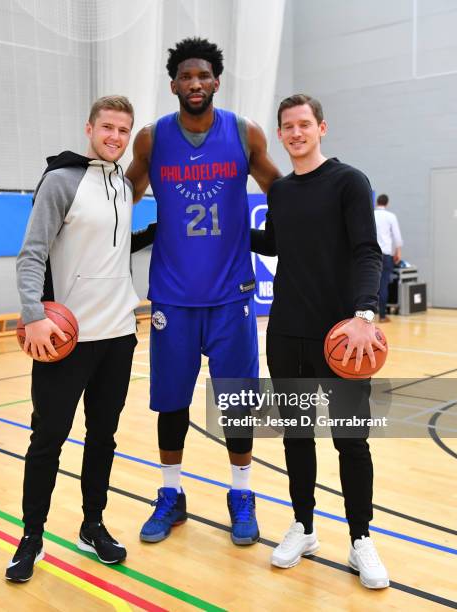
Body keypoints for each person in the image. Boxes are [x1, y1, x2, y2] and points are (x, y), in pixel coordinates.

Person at [126, 37, 280, 546]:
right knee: (171, 403)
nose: (195, 84)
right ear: (174, 85)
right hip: (172, 296)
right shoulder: (151, 139)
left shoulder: (244, 132)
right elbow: (120, 195)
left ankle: (242, 494)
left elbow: (283, 189)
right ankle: (171, 495)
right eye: (186, 77)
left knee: (237, 402)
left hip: (231, 295)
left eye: (204, 76)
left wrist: (292, 235)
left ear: (216, 81)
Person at [7, 95, 149, 582]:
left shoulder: (126, 186)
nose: (115, 137)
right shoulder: (62, 180)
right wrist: (33, 315)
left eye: (123, 131)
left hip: (119, 336)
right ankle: (31, 536)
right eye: (107, 127)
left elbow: (113, 246)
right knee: (47, 439)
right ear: (89, 127)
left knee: (103, 438)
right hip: (65, 340)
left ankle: (92, 525)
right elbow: (31, 254)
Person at [252, 94, 389, 589]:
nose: (295, 133)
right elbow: (277, 243)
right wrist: (226, 232)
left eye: (303, 124)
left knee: (352, 441)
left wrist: (363, 314)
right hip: (287, 333)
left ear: (321, 128)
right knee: (297, 436)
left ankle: (360, 539)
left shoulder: (349, 182)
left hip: (342, 337)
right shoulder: (282, 192)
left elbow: (367, 251)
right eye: (287, 126)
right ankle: (304, 526)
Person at [374, 194, 403, 322]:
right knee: (383, 284)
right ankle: (382, 316)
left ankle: (365, 316)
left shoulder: (371, 214)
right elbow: (397, 236)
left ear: (377, 202)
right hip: (385, 254)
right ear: (387, 203)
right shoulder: (391, 216)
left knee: (369, 284)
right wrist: (398, 252)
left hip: (370, 255)